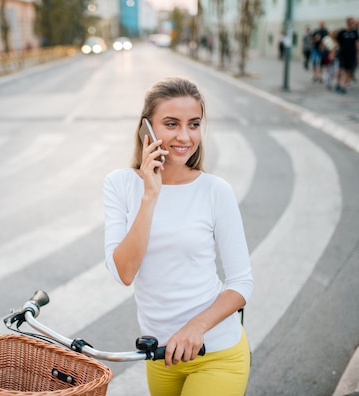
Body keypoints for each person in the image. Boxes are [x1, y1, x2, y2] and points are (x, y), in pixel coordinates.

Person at [103, 77, 254, 396]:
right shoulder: (120, 185)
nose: (185, 136)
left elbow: (241, 283)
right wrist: (150, 195)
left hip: (216, 352)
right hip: (160, 355)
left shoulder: (215, 191)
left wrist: (195, 328)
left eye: (194, 124)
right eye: (171, 124)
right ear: (148, 129)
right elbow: (124, 273)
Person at [335, 17, 359, 94]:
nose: (352, 23)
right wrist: (333, 52)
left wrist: (358, 54)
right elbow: (337, 43)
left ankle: (343, 86)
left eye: (353, 22)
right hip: (342, 54)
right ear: (347, 22)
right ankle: (338, 83)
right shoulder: (342, 32)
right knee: (340, 69)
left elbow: (357, 43)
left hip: (351, 54)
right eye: (351, 21)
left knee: (348, 71)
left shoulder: (354, 32)